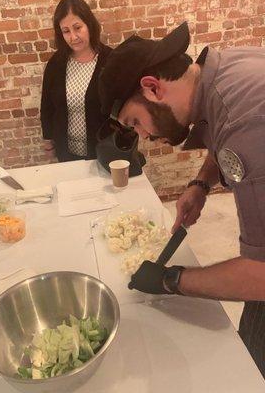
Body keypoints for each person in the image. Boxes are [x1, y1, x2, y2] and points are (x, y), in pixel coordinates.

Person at [98, 21, 265, 377]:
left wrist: (172, 280)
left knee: (248, 367)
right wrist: (201, 184)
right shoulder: (222, 73)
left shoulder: (244, 123)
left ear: (152, 87)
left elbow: (260, 274)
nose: (144, 136)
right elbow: (222, 131)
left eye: (136, 122)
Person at [40, 0, 112, 162]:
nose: (73, 37)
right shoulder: (56, 64)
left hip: (104, 152)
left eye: (77, 27)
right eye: (66, 31)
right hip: (66, 153)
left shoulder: (111, 60)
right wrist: (48, 145)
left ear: (89, 24)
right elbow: (47, 107)